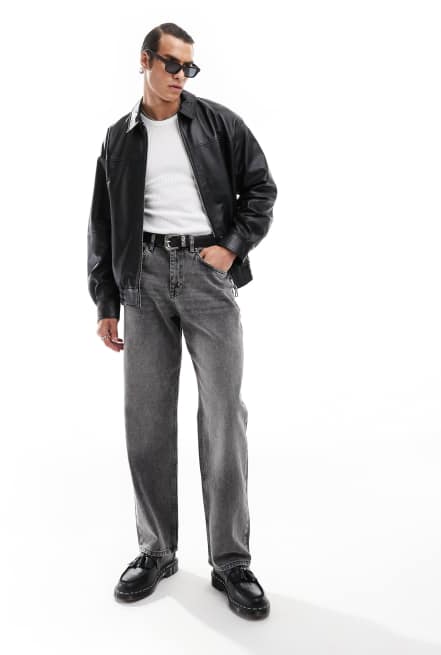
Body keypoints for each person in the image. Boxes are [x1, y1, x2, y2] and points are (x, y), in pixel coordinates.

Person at [87, 22, 277, 620]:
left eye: (188, 67)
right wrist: (106, 301)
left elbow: (261, 190)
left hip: (206, 276)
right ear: (145, 61)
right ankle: (156, 550)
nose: (180, 76)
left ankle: (231, 561)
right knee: (146, 416)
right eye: (171, 64)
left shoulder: (218, 124)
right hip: (141, 279)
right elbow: (101, 223)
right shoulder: (119, 138)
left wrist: (231, 247)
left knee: (223, 414)